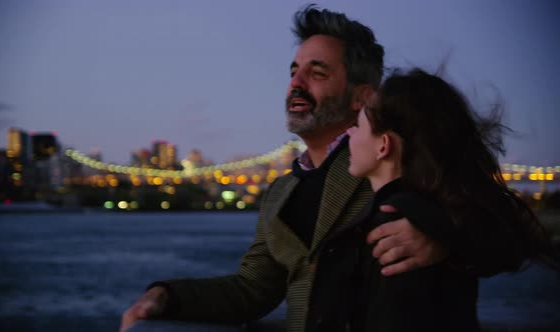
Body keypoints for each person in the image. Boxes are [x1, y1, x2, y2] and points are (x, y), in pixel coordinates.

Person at [120, 6, 529, 332]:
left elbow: (509, 232)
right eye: (294, 71)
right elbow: (251, 291)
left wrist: (444, 239)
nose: (296, 84)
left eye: (317, 73)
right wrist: (166, 296)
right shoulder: (279, 192)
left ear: (362, 97)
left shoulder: (392, 168)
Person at [306, 68, 560, 331]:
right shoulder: (437, 218)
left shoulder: (395, 228)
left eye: (357, 125)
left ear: (383, 145)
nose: (349, 134)